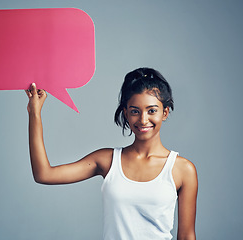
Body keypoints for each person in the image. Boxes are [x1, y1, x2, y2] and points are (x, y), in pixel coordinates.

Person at [25, 67, 198, 240]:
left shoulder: (183, 170)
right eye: (135, 111)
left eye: (152, 110)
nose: (143, 119)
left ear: (165, 112)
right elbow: (44, 174)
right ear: (126, 113)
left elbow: (186, 236)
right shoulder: (107, 160)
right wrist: (35, 113)